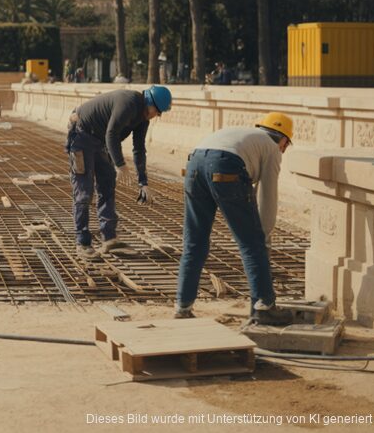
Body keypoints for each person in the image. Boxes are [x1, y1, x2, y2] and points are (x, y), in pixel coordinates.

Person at [174, 112, 294, 325]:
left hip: (194, 164)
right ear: (283, 139)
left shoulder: (246, 136)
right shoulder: (272, 149)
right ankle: (264, 306)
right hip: (226, 165)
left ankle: (183, 306)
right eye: (287, 145)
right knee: (252, 243)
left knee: (194, 241)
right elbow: (268, 197)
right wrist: (264, 237)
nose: (284, 149)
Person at [66, 85, 172, 260]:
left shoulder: (143, 119)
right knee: (84, 192)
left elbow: (139, 149)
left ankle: (109, 238)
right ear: (149, 102)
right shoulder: (129, 102)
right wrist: (120, 165)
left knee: (107, 184)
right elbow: (112, 133)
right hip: (81, 135)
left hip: (100, 141)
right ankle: (83, 243)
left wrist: (143, 182)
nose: (157, 116)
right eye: (157, 111)